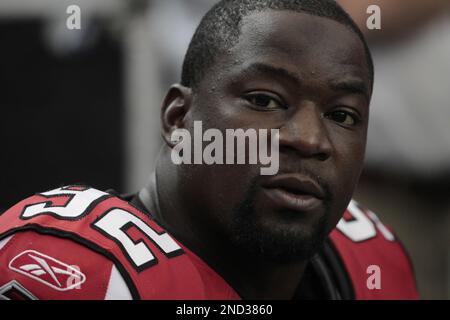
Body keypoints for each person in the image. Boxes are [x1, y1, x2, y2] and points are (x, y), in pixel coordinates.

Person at [0, 0, 418, 300]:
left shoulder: (369, 259)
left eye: (342, 115)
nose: (309, 139)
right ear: (178, 119)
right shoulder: (78, 270)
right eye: (265, 100)